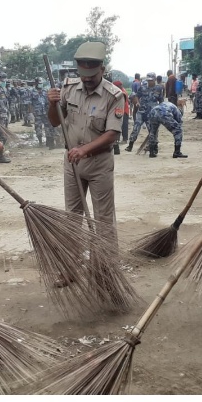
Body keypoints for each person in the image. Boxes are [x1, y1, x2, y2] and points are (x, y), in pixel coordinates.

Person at [46, 41, 123, 286]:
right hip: (72, 164)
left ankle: (106, 269)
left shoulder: (115, 96)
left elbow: (112, 134)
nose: (87, 79)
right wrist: (52, 104)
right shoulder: (68, 89)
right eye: (83, 74)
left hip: (99, 163)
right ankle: (70, 269)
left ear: (102, 68)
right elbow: (56, 122)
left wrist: (84, 150)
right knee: (72, 217)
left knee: (102, 218)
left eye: (92, 74)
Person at [125, 72, 161, 152]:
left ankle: (154, 147)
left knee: (152, 131)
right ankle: (130, 145)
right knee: (136, 128)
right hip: (141, 112)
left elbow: (161, 101)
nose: (149, 82)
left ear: (154, 79)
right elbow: (137, 96)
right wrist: (137, 102)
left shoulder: (159, 89)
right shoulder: (142, 87)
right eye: (148, 80)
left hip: (151, 114)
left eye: (151, 80)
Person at [113, 80, 130, 146]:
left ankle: (124, 139)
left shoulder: (122, 93)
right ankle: (121, 139)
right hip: (123, 111)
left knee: (123, 126)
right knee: (121, 125)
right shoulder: (123, 91)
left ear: (118, 86)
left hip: (123, 111)